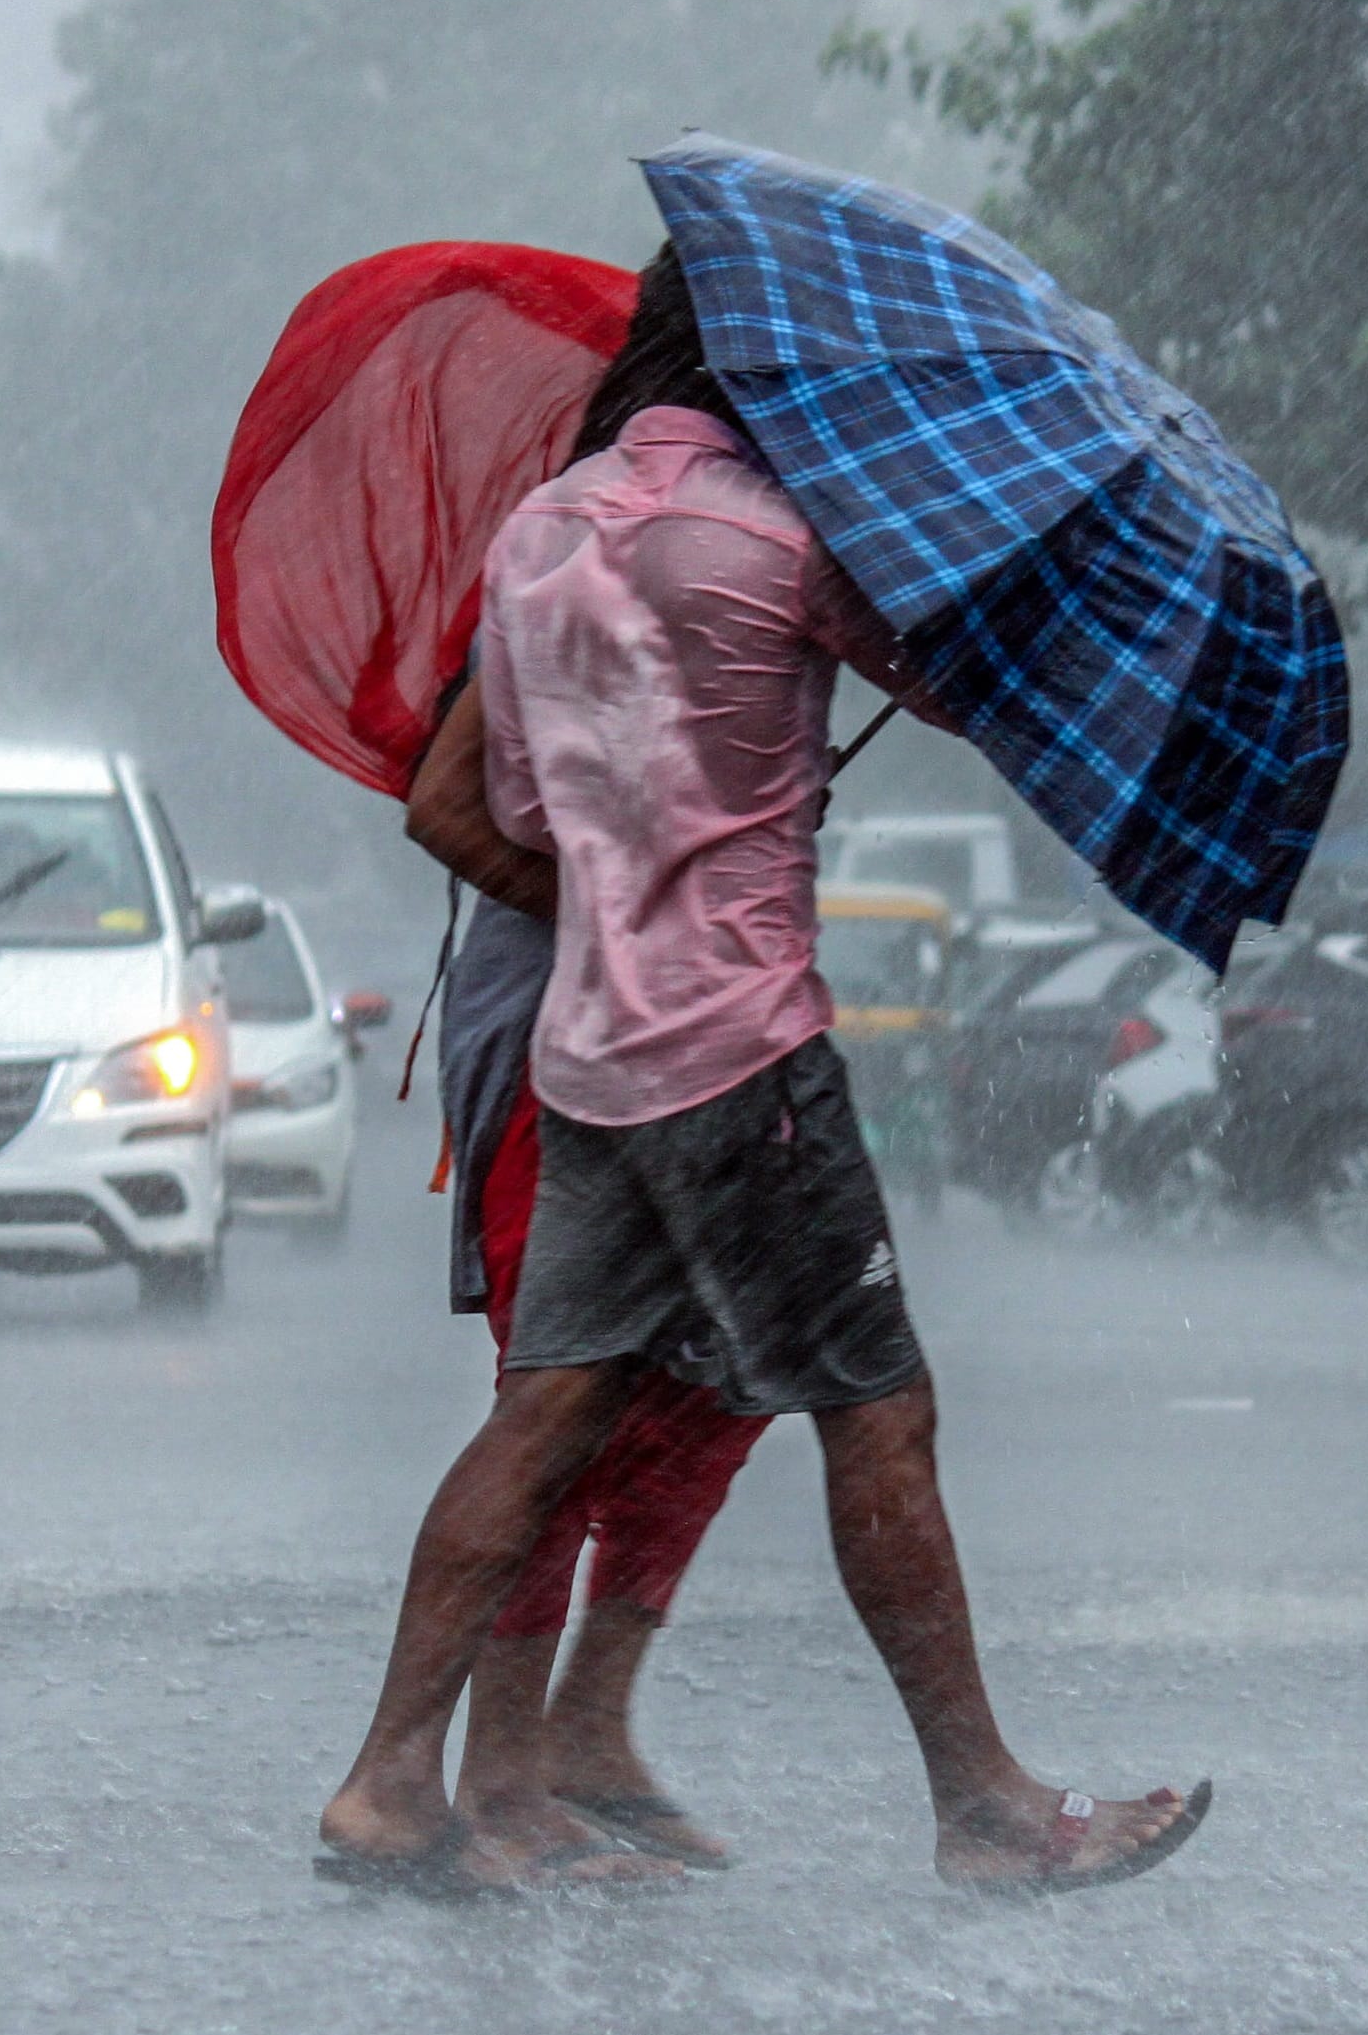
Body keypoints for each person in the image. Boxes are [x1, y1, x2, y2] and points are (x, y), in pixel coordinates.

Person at [318, 247, 1210, 1895]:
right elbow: (970, 687)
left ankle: (386, 1784)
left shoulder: (537, 538)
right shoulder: (783, 541)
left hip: (589, 1054)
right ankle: (991, 1809)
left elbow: (513, 806)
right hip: (743, 1054)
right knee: (879, 1416)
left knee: (540, 1421)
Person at [382, 677, 767, 1888]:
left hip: (702, 1035)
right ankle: (495, 1777)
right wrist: (616, 909)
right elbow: (446, 808)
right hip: (560, 1045)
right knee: (559, 1399)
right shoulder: (555, 567)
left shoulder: (736, 580)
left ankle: (587, 1726)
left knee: (722, 1384)